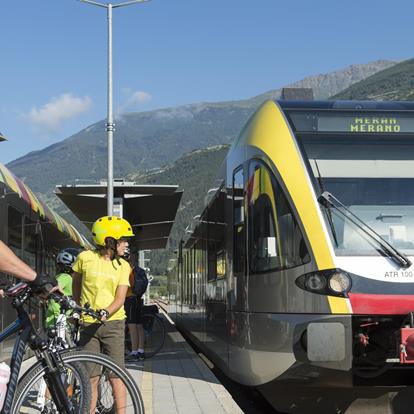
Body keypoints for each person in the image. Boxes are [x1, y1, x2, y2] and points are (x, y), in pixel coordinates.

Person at [72, 216, 134, 414]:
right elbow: (76, 283)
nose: (126, 243)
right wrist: (79, 305)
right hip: (88, 325)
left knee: (117, 375)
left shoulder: (123, 266)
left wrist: (106, 311)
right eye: (123, 239)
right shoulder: (85, 258)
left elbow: (120, 298)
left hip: (113, 325)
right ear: (110, 240)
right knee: (91, 377)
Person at [45, 248, 79, 328]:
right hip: (62, 321)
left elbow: (53, 288)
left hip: (57, 320)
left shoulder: (64, 277)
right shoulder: (67, 277)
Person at [124, 249, 148, 361]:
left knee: (131, 326)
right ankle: (141, 351)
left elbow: (128, 285)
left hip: (130, 299)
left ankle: (134, 352)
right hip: (137, 299)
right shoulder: (134, 269)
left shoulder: (126, 269)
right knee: (139, 325)